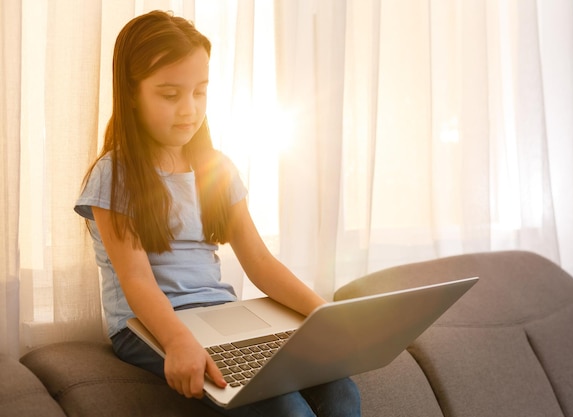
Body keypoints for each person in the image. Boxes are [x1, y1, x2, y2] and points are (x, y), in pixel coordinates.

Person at [74, 10, 361, 417]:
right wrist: (177, 341)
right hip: (147, 326)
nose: (189, 109)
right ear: (132, 92)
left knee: (340, 389)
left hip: (222, 316)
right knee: (285, 409)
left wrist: (323, 316)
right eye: (170, 95)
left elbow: (259, 262)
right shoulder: (114, 175)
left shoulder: (217, 169)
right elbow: (136, 280)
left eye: (200, 92)